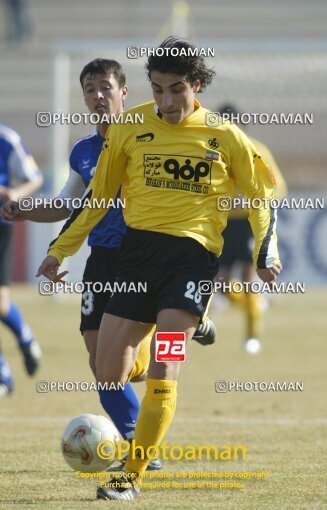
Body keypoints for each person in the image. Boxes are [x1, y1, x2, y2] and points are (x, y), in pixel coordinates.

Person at [37, 37, 282, 500]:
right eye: (157, 89)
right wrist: (59, 250)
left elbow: (261, 197)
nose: (167, 102)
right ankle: (178, 327)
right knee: (108, 372)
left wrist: (264, 253)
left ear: (197, 85)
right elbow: (98, 199)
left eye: (176, 90)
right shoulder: (129, 127)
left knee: (164, 374)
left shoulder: (225, 136)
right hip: (136, 261)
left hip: (191, 264)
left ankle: (130, 475)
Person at [1, 59, 213, 450]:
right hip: (102, 259)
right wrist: (24, 210)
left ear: (124, 93)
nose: (97, 96)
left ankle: (141, 442)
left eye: (105, 88)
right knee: (102, 365)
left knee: (150, 360)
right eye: (89, 90)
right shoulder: (83, 150)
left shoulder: (149, 136)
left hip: (145, 257)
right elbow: (68, 205)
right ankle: (138, 435)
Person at [217, 104, 287, 354]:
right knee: (222, 285)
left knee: (249, 280)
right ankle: (256, 303)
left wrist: (255, 204)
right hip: (223, 224)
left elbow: (277, 187)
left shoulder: (257, 150)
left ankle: (252, 336)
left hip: (248, 223)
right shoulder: (212, 150)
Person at [0, 124, 43, 397]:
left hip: (0, 226)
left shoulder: (7, 139)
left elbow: (35, 177)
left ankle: (25, 337)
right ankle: (3, 374)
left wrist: (14, 195)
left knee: (0, 304)